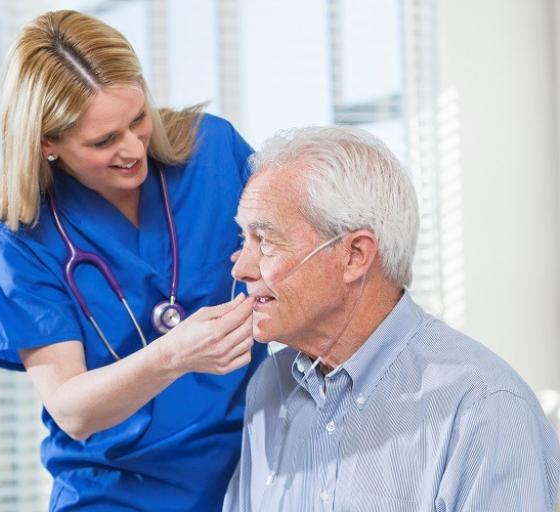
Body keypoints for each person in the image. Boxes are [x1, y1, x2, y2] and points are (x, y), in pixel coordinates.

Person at [0, 10, 265, 511]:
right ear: (47, 143)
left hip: (254, 470)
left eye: (137, 120)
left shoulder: (214, 151)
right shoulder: (19, 238)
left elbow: (298, 250)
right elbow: (71, 409)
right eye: (103, 141)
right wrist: (174, 354)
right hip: (114, 491)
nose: (133, 148)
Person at [222, 126, 560, 511]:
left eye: (264, 241)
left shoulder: (486, 408)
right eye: (242, 240)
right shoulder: (270, 386)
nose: (241, 268)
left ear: (354, 255)